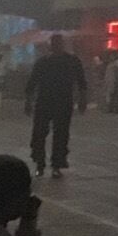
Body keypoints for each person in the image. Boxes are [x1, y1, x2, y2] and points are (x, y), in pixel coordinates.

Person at [26, 35, 89, 178]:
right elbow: (32, 83)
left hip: (61, 101)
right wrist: (28, 101)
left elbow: (81, 82)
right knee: (41, 133)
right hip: (46, 101)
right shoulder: (44, 62)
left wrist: (83, 100)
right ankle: (41, 163)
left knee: (58, 134)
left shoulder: (71, 61)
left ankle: (55, 164)